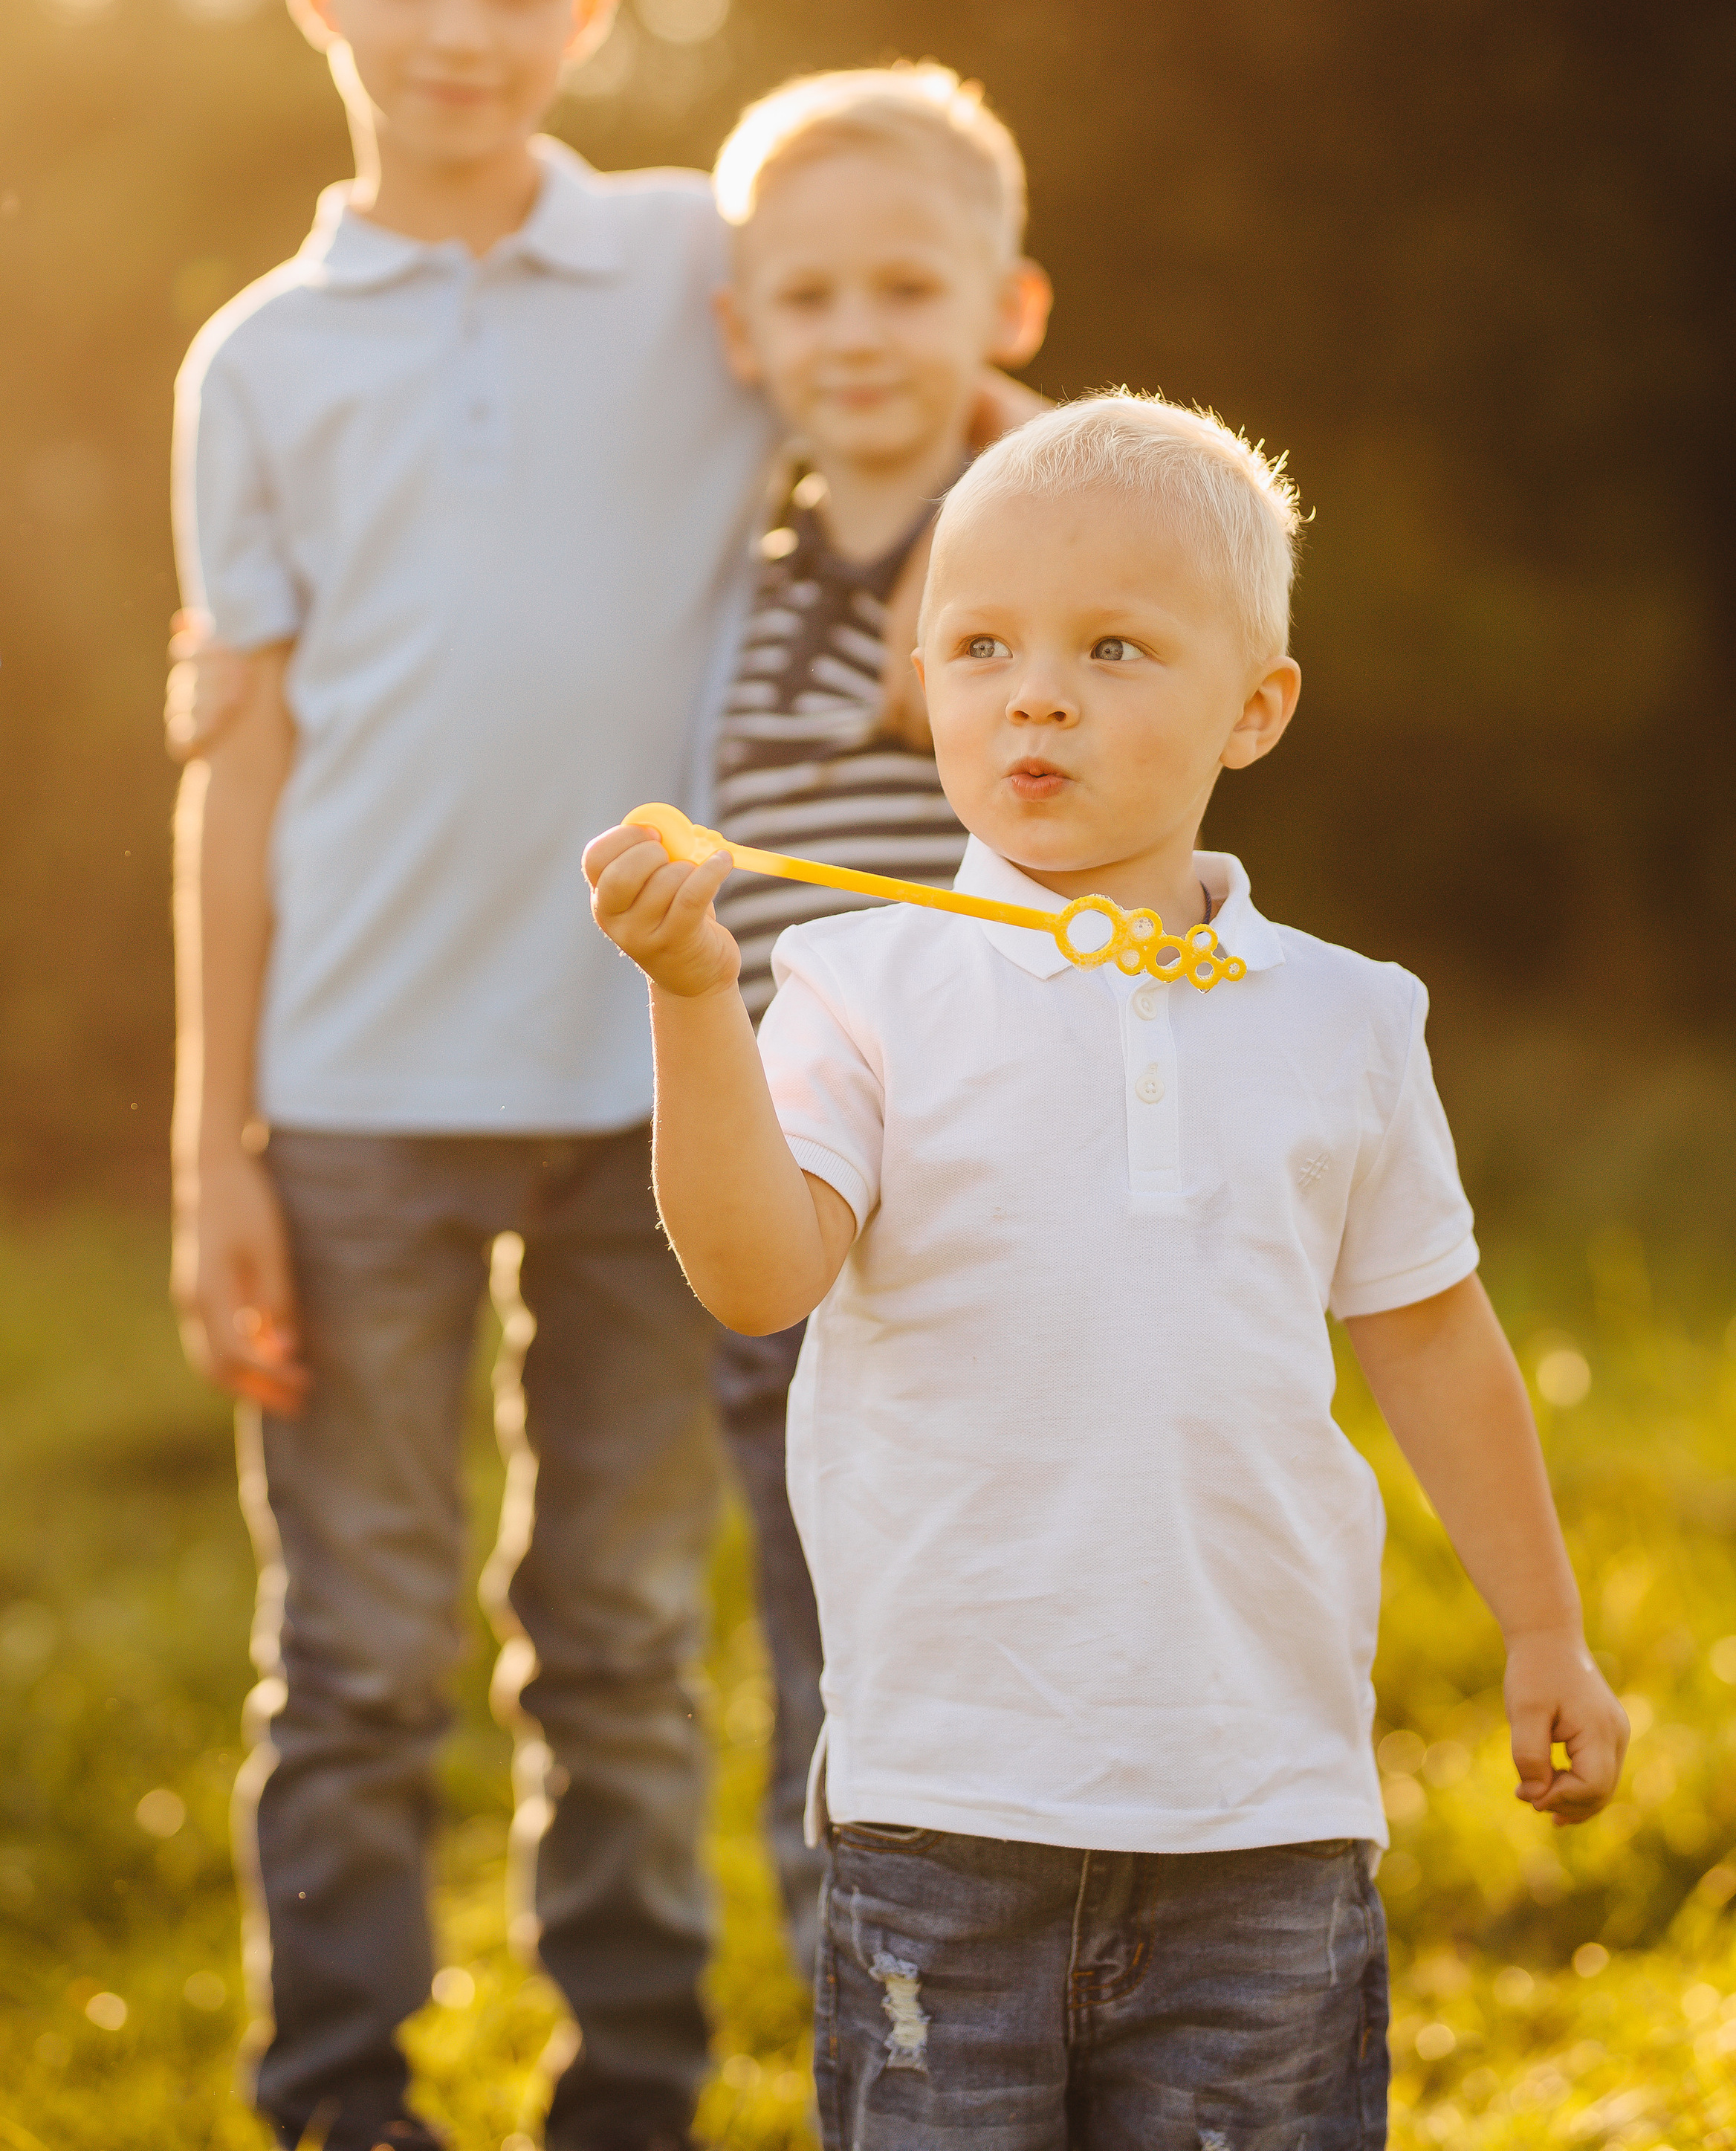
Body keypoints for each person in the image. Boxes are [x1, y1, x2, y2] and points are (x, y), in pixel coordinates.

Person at [583, 392, 1628, 2150]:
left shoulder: (1348, 1018)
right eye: (979, 647)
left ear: (1256, 707)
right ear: (925, 686)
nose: (1034, 693)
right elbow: (758, 1278)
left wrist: (1543, 1630)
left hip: (1262, 1814)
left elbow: (1435, 1340)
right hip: (943, 1812)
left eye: (1111, 647)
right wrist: (696, 1004)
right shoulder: (857, 986)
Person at [169, 0, 777, 2151]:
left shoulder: (695, 267)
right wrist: (214, 1142)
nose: (457, 26)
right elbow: (232, 772)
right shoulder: (259, 362)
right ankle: (338, 2103)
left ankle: (629, 2093)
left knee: (622, 1643)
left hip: (663, 1096)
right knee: (356, 1656)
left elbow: (904, 363)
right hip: (355, 1109)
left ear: (595, 2)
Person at [700, 64, 1050, 1972]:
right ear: (740, 328)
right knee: (824, 1645)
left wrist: (1021, 449)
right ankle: (877, 2037)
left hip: (1015, 1205)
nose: (854, 336)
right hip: (801, 1219)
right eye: (809, 296)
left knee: (1043, 1626)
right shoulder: (725, 592)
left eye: (908, 290)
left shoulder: (1035, 566)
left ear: (1003, 313)